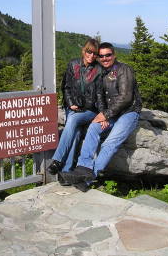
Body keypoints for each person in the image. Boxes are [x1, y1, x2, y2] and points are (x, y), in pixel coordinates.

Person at [60, 42, 142, 191]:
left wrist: (106, 115)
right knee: (93, 128)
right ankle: (82, 169)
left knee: (110, 142)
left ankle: (90, 177)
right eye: (101, 56)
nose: (105, 58)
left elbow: (126, 98)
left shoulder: (124, 70)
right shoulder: (101, 73)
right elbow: (100, 98)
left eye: (108, 55)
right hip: (112, 113)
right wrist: (104, 115)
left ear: (114, 55)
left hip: (128, 112)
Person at [47, 39, 104, 182]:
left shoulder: (99, 70)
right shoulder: (73, 65)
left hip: (89, 110)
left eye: (95, 53)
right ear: (84, 51)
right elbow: (65, 87)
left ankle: (57, 160)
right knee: (76, 132)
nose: (91, 56)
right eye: (88, 52)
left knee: (72, 121)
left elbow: (99, 95)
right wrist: (71, 103)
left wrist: (103, 114)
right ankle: (66, 173)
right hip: (72, 108)